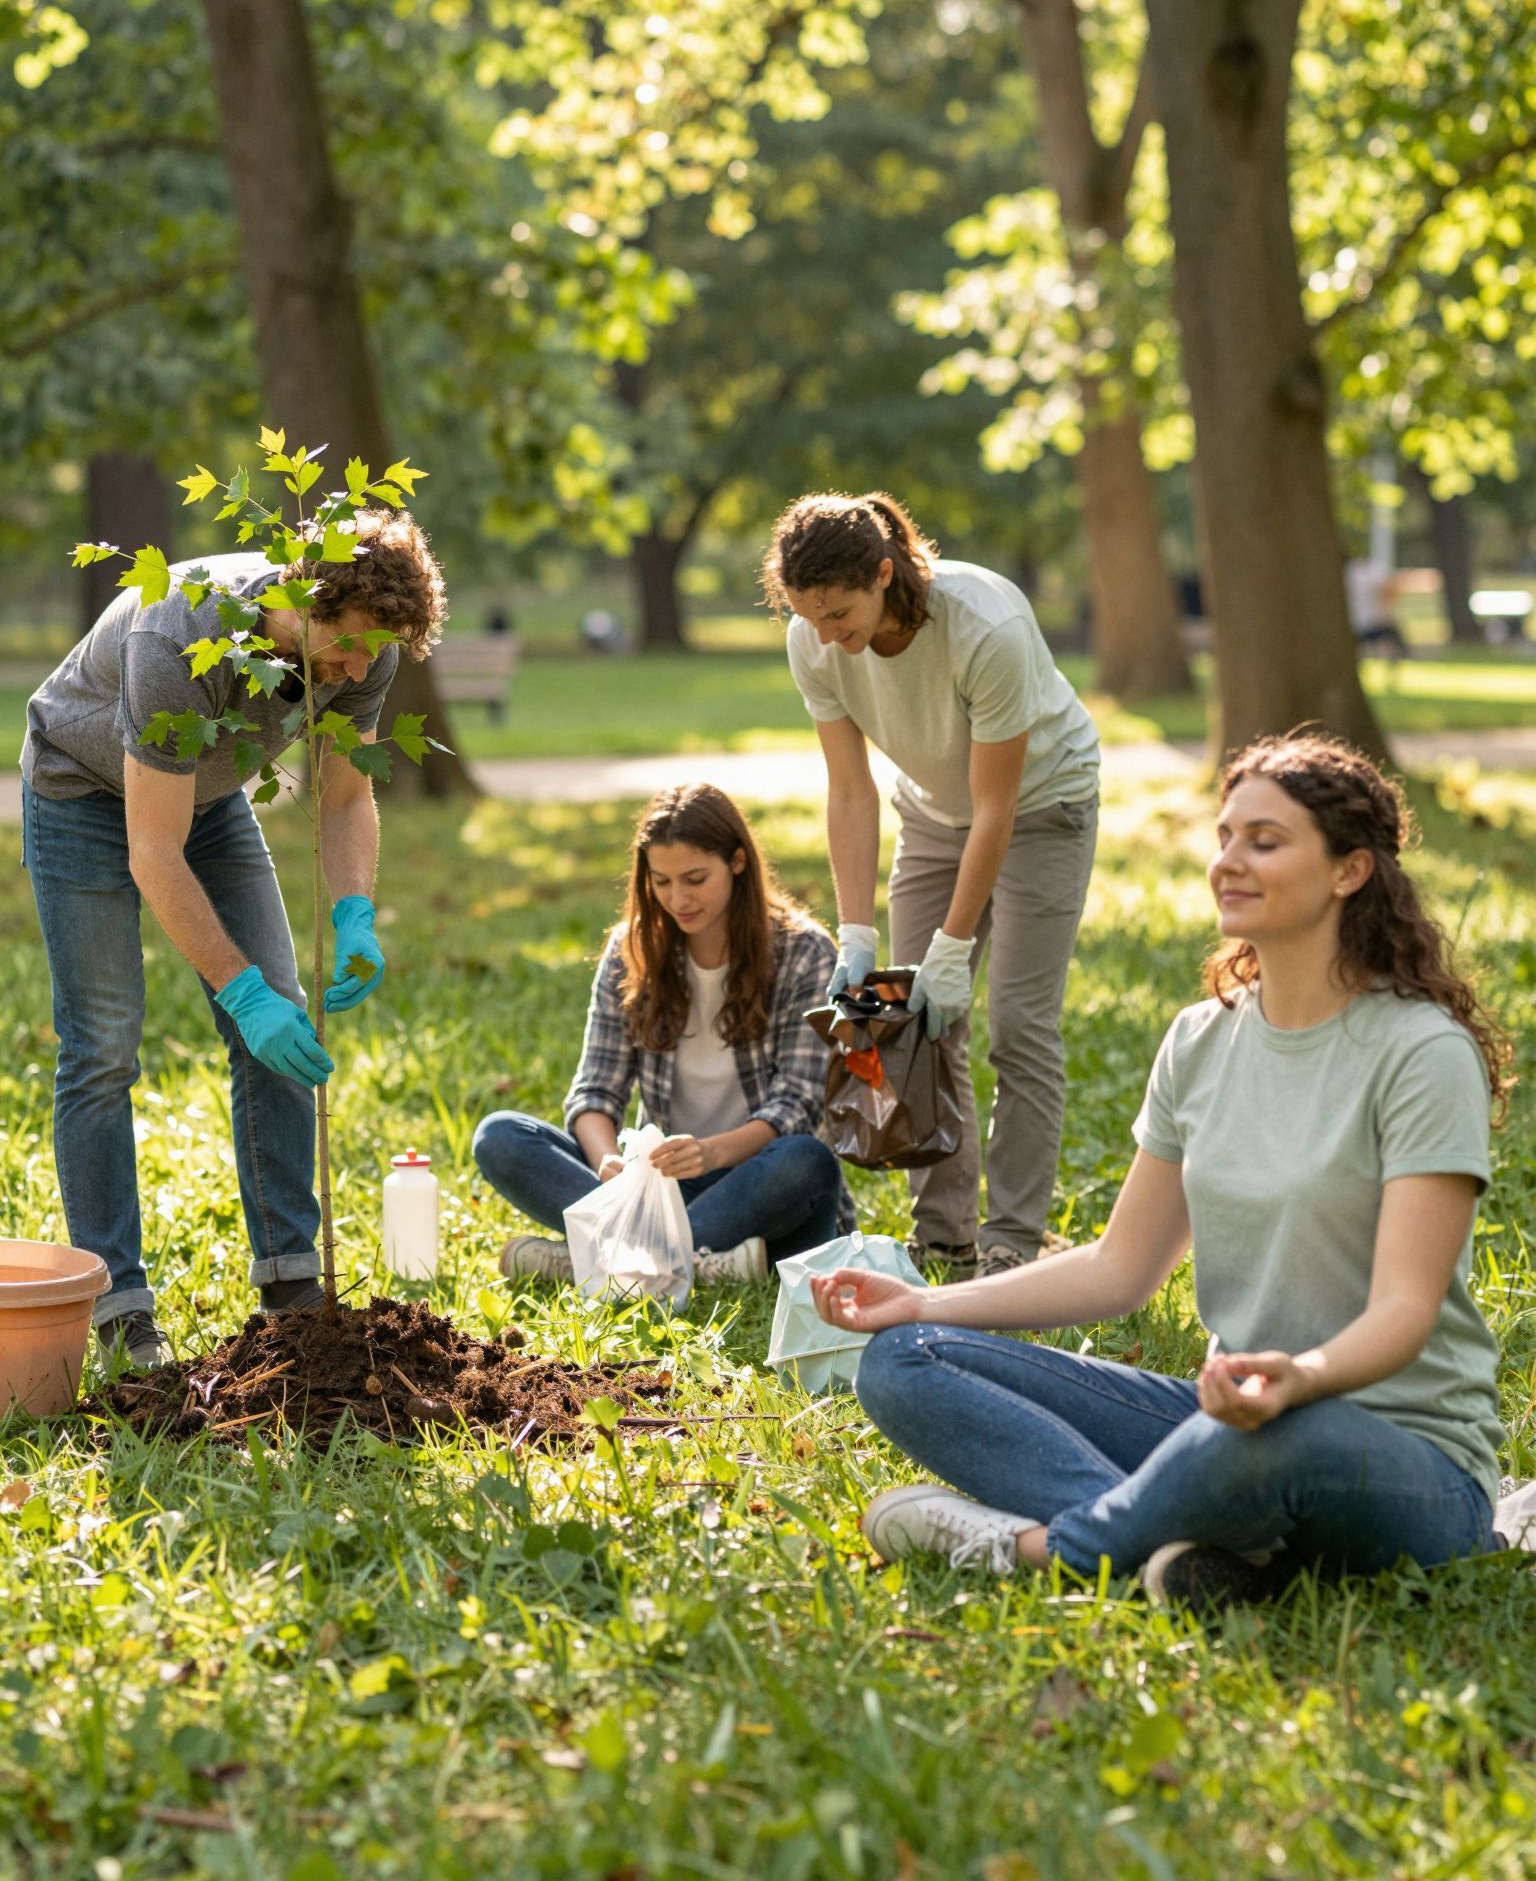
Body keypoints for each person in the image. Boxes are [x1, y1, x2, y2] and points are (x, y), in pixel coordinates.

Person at [810, 734, 1511, 1615]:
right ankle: (1198, 1545)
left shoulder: (1419, 1052)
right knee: (904, 1361)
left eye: (1265, 840)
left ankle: (1037, 1548)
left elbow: (1406, 1312)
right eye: (1224, 836)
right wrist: (921, 1304)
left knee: (1270, 1443)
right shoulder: (1200, 1040)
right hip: (1231, 1419)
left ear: (1349, 871)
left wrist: (1300, 1380)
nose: (1229, 861)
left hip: (1398, 1456)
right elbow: (1121, 1267)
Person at [21, 509, 448, 1368]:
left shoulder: (366, 643)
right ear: (301, 595)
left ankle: (291, 1279)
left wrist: (354, 911)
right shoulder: (179, 631)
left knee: (283, 1011)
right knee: (103, 1045)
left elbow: (344, 796)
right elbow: (152, 851)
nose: (361, 666)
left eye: (377, 651)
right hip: (80, 791)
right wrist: (237, 990)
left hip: (206, 800)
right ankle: (118, 1303)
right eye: (351, 645)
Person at [762, 492, 1101, 1276]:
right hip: (932, 815)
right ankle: (945, 1233)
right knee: (912, 1020)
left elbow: (998, 807)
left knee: (1018, 1023)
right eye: (807, 616)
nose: (826, 638)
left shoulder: (987, 628)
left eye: (840, 614)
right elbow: (850, 790)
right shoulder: (811, 642)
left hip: (1044, 808)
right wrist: (856, 933)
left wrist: (953, 946)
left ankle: (1012, 1237)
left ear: (885, 574)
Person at [475, 782, 852, 1286]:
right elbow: (594, 1091)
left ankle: (599, 1260)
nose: (679, 899)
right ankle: (684, 1263)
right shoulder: (632, 948)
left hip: (752, 1184)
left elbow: (798, 1107)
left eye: (696, 879)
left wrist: (711, 1152)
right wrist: (609, 1161)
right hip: (653, 1188)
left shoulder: (804, 951)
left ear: (738, 862)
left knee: (808, 1160)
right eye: (662, 882)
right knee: (500, 1136)